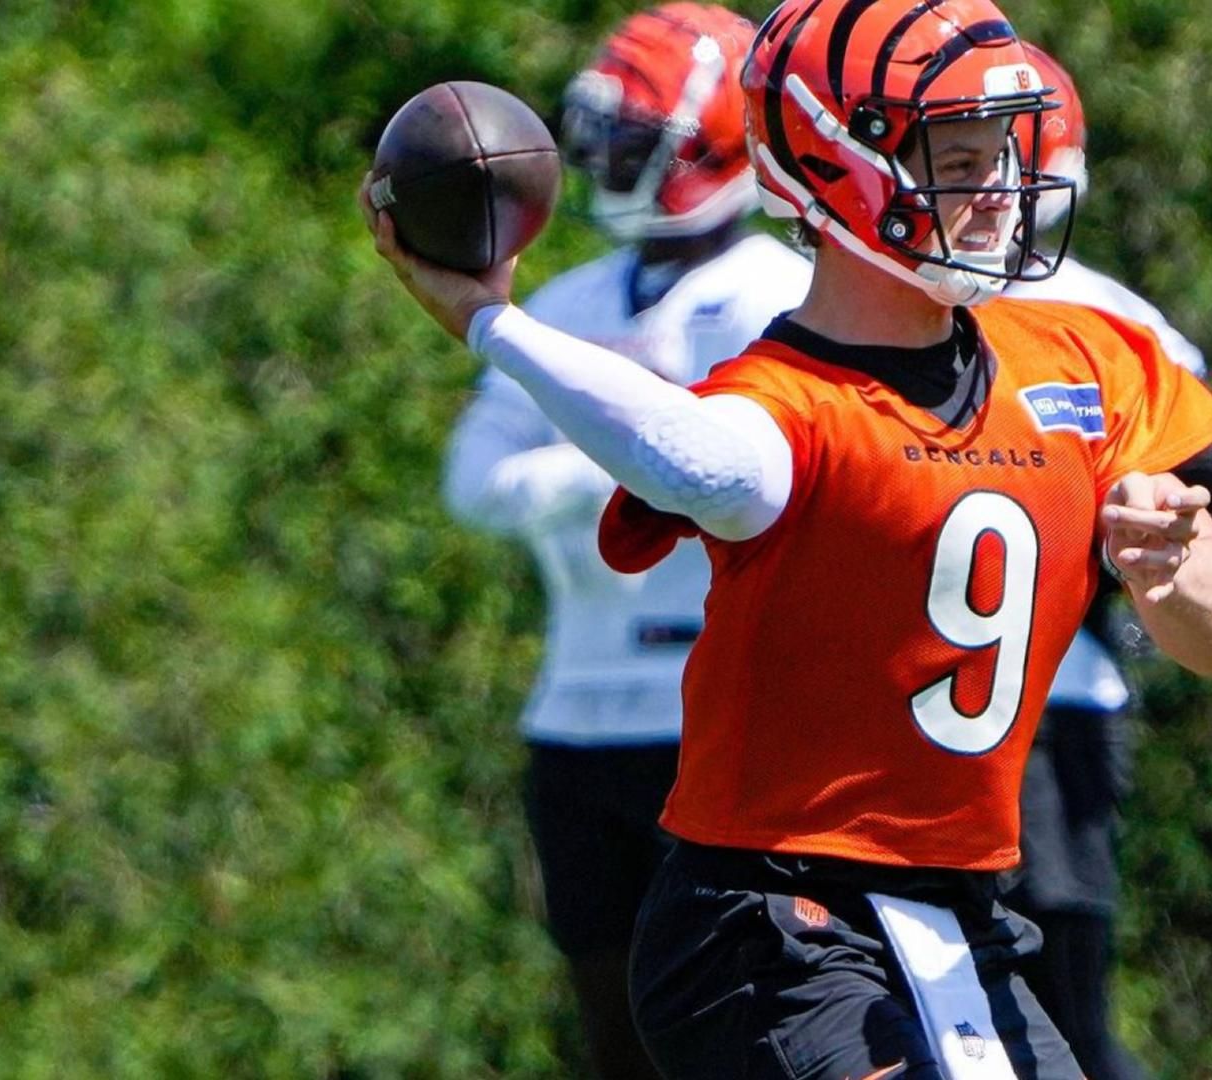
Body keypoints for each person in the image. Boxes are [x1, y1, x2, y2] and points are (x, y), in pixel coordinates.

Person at [365, 0, 1212, 1073]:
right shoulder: (792, 399)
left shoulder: (1082, 358)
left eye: (1004, 154)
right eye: (960, 158)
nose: (1000, 192)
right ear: (841, 166)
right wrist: (490, 320)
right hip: (774, 922)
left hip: (970, 913)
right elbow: (695, 457)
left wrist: (1172, 567)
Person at [438, 5, 810, 1076]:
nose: (610, 161)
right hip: (577, 705)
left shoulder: (778, 296)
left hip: (720, 709)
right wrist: (627, 447)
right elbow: (474, 481)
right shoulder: (569, 297)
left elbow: (744, 482)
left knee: (743, 1017)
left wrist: (637, 437)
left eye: (638, 139)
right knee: (614, 1031)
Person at [994, 44, 1212, 1080]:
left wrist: (1125, 556)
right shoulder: (826, 308)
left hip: (1051, 700)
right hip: (881, 722)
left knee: (1060, 1019)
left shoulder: (1096, 316)